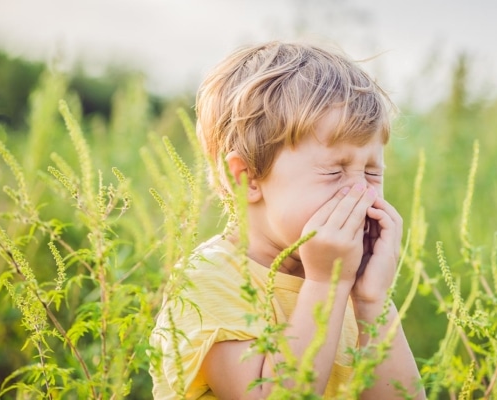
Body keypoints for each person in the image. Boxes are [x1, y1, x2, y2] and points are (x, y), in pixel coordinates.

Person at [150, 40, 425, 399]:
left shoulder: (343, 281)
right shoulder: (210, 281)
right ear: (246, 178)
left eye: (373, 173)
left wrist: (374, 301)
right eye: (334, 171)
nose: (362, 194)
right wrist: (325, 285)